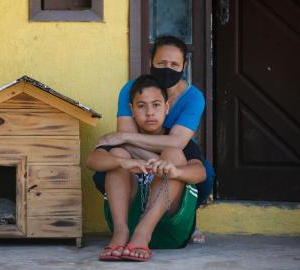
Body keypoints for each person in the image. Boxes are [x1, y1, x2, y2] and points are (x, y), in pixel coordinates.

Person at [96, 35, 215, 244]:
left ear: (184, 66)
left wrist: (123, 136)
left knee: (205, 175)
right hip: (143, 158)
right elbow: (126, 147)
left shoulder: (193, 98)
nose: (167, 68)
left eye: (174, 64)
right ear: (151, 61)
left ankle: (183, 217)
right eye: (161, 63)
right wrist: (151, 161)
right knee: (105, 170)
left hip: (177, 154)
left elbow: (176, 142)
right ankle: (124, 224)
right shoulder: (133, 90)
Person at [86, 75, 206, 262]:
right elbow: (92, 160)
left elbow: (200, 173)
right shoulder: (122, 140)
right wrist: (123, 162)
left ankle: (144, 232)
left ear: (166, 108)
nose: (150, 112)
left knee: (173, 155)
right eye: (141, 106)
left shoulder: (182, 143)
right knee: (117, 155)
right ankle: (120, 232)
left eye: (156, 105)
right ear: (132, 110)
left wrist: (176, 172)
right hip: (128, 225)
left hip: (171, 227)